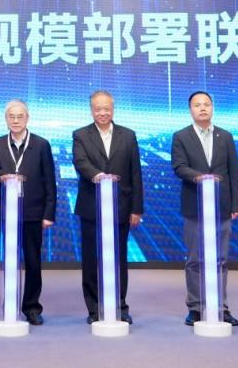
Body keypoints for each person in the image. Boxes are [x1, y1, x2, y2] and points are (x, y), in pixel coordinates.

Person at [171, 91, 238, 327]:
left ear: (212, 108)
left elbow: (234, 172)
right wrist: (200, 177)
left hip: (222, 206)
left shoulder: (225, 136)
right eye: (197, 105)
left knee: (220, 259)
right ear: (190, 109)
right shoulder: (181, 136)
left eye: (206, 104)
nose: (202, 108)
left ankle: (221, 306)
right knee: (195, 259)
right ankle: (195, 307)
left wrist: (236, 204)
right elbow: (179, 166)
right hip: (194, 206)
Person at [72, 90, 144, 325]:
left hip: (121, 206)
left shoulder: (128, 135)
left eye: (106, 108)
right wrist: (99, 176)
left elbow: (135, 173)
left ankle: (120, 306)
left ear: (113, 109)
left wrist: (136, 209)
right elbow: (80, 162)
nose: (102, 112)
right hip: (91, 207)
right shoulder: (81, 135)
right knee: (91, 260)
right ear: (91, 110)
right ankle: (94, 308)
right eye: (98, 109)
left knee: (119, 258)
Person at [0, 99, 57, 326]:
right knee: (8, 260)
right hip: (6, 213)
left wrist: (49, 213)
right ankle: (9, 305)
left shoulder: (41, 144)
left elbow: (50, 181)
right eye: (11, 116)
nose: (15, 120)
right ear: (6, 119)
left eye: (20, 116)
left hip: (33, 212)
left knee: (33, 262)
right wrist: (3, 176)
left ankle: (32, 307)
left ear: (27, 119)